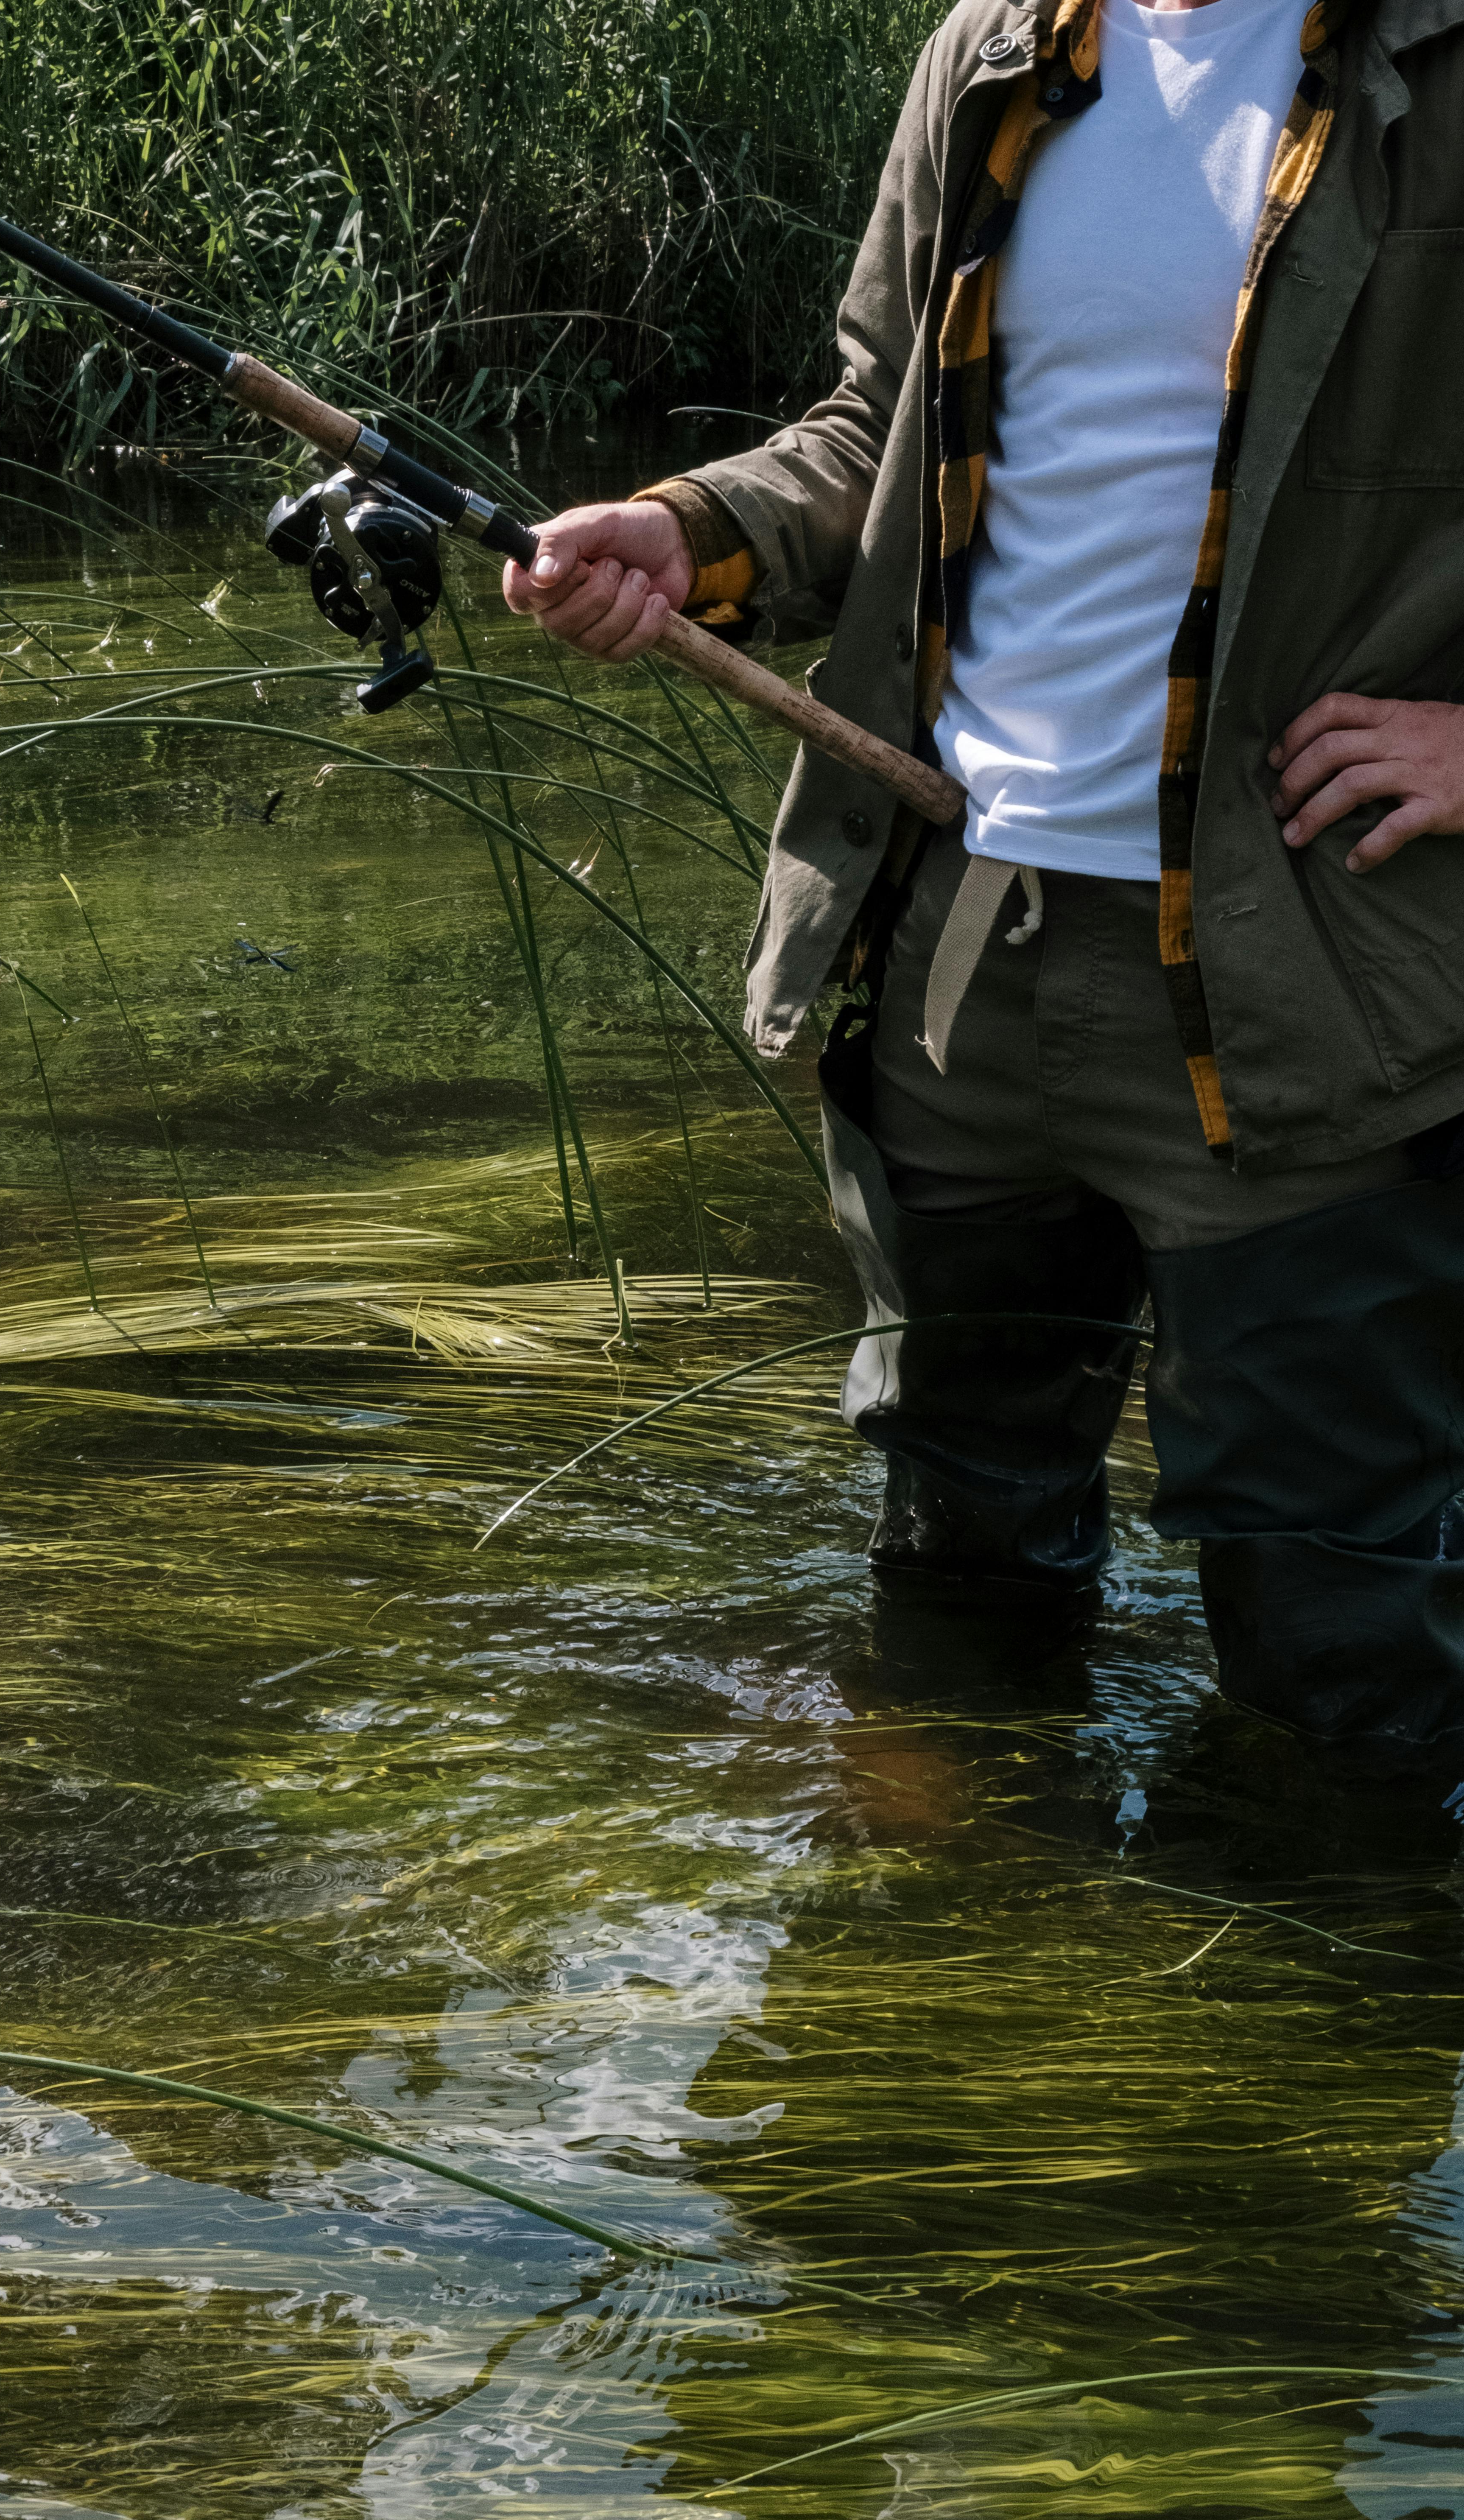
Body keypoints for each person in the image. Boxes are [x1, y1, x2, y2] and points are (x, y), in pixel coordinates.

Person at [502, 0, 1464, 1783]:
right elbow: (872, 432)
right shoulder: (1001, 47)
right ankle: (946, 2014)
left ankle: (1317, 2042)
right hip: (955, 944)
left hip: (1320, 985)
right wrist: (688, 531)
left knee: (1344, 1671)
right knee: (955, 1615)